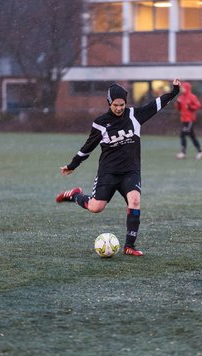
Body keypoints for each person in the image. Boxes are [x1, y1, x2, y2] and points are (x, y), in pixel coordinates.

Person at [56, 79, 181, 256]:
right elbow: (88, 147)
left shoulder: (134, 116)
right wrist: (72, 165)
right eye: (115, 105)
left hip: (130, 171)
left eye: (122, 104)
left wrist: (174, 91)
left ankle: (129, 246)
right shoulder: (101, 123)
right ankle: (75, 195)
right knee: (96, 207)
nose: (119, 108)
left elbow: (156, 105)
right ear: (109, 103)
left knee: (135, 200)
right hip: (108, 173)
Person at [175, 82, 202, 160]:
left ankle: (183, 153)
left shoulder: (192, 97)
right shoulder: (181, 97)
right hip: (184, 120)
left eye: (183, 88)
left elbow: (198, 106)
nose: (181, 89)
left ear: (187, 88)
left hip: (190, 120)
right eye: (181, 88)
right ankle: (200, 151)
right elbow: (178, 109)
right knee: (192, 136)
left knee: (182, 134)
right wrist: (178, 104)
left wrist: (190, 106)